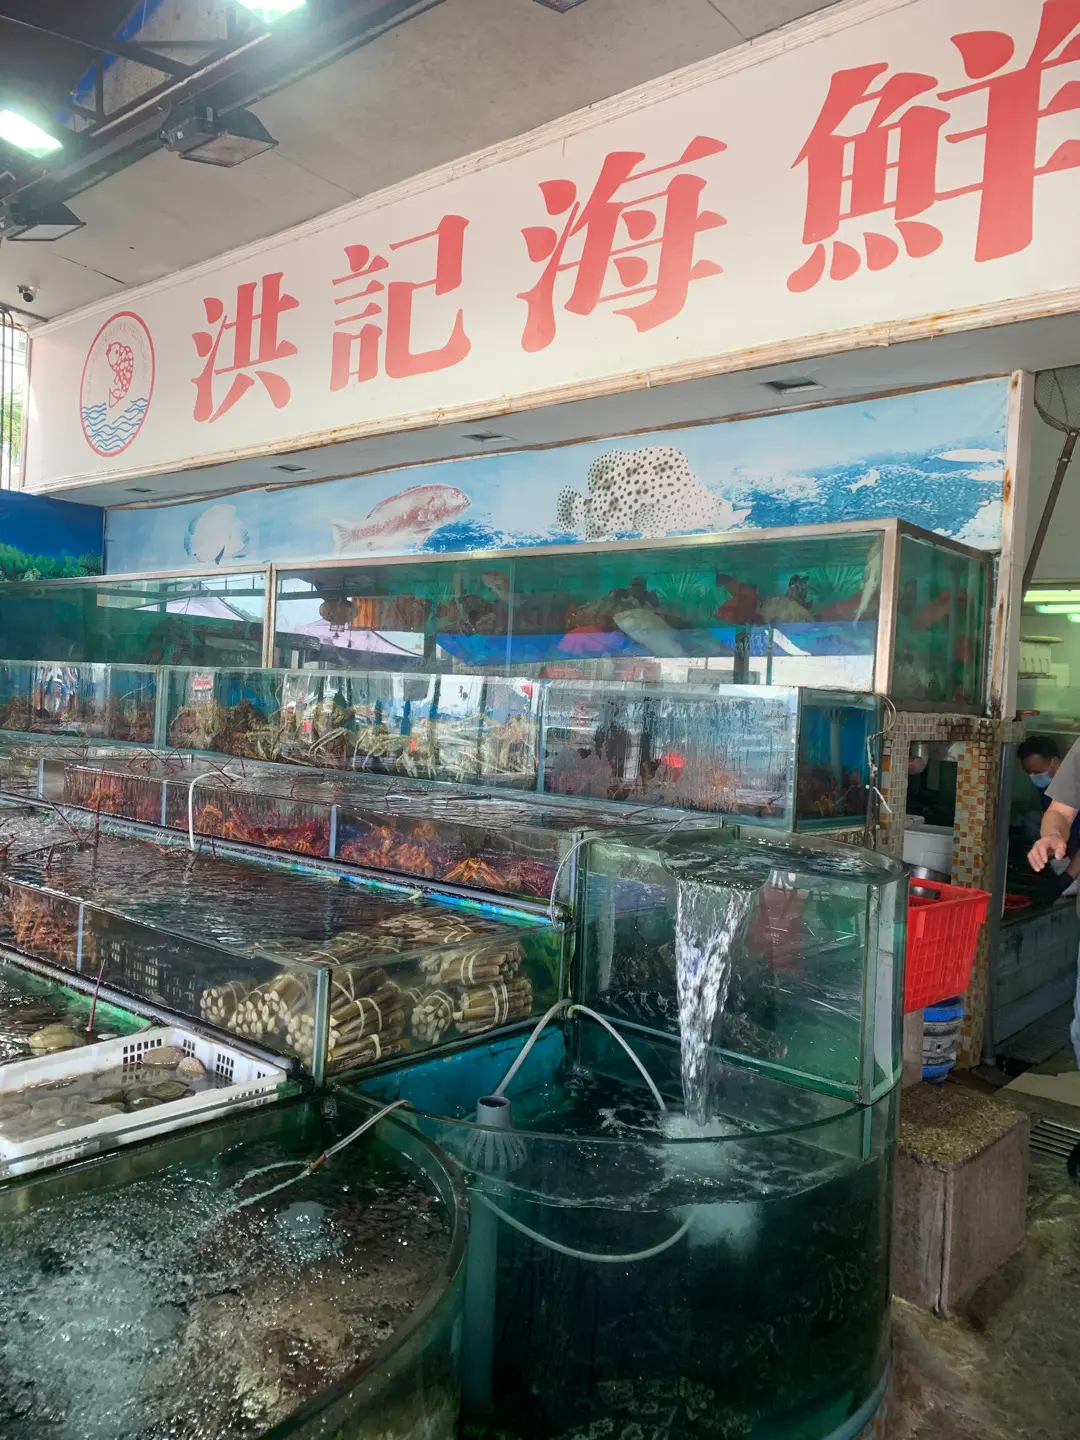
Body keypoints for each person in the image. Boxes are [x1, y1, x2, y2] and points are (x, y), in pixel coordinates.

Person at [1020, 736, 1080, 895]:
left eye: (1037, 772)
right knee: (1033, 819)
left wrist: (1067, 878)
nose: (1034, 777)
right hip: (1069, 841)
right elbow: (1059, 812)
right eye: (1029, 772)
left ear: (1055, 762)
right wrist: (1053, 835)